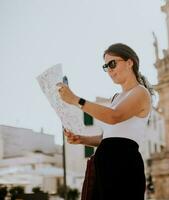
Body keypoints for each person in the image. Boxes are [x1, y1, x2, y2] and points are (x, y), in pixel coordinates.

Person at [57, 43, 154, 200]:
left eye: (112, 63)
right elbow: (108, 137)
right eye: (106, 66)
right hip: (104, 164)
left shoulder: (141, 92)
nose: (109, 70)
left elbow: (114, 116)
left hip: (124, 163)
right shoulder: (116, 98)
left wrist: (75, 100)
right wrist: (81, 139)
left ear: (130, 63)